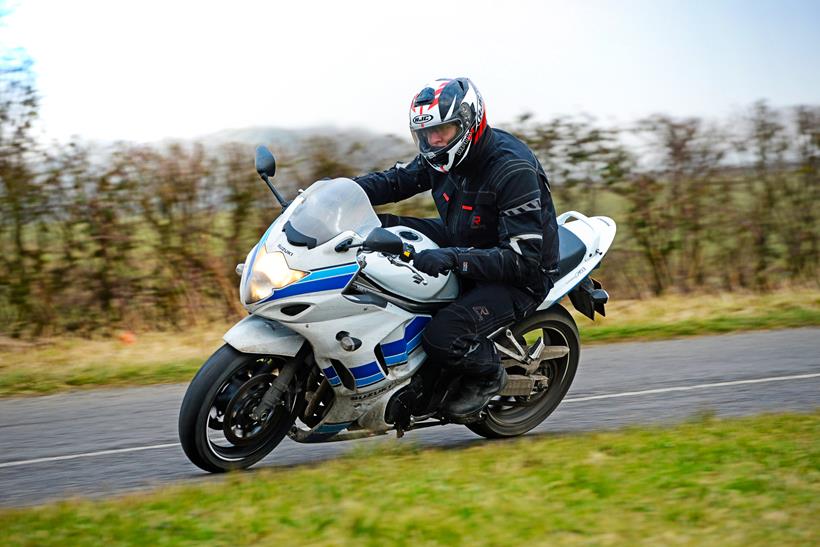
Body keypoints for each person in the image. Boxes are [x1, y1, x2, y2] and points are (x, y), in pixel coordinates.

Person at [354, 77, 559, 422]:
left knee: (443, 336)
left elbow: (522, 260)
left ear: (469, 123)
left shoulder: (512, 170)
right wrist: (335, 191)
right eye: (426, 134)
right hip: (464, 238)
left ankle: (489, 374)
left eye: (443, 130)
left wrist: (452, 259)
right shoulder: (440, 157)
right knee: (375, 228)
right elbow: (395, 181)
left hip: (518, 273)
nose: (433, 141)